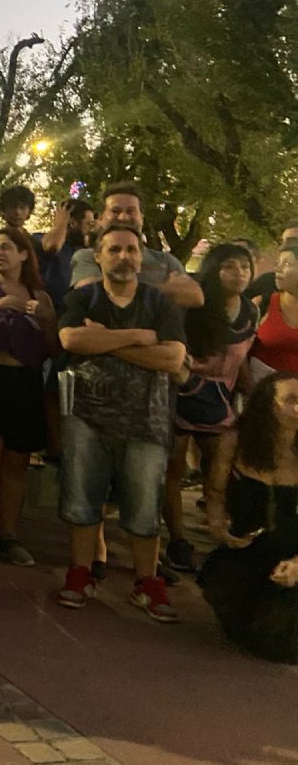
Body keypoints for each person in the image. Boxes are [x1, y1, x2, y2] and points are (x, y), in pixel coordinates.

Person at [56, 223, 187, 621]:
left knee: (145, 503)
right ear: (98, 256)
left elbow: (172, 359)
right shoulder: (83, 298)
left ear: (142, 257)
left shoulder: (159, 304)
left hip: (147, 420)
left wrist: (108, 340)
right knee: (81, 498)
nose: (124, 257)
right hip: (86, 417)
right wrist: (138, 338)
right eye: (114, 249)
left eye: (131, 250)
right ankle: (80, 574)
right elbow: (72, 342)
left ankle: (146, 582)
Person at [0, 227, 56, 567]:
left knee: (16, 462)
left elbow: (54, 349)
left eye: (6, 247)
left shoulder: (41, 296)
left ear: (23, 254)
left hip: (26, 382)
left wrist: (48, 322)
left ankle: (10, 534)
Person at [167, 242, 258, 572]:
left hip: (221, 402)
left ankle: (220, 540)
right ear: (214, 269)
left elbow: (242, 361)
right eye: (230, 266)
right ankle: (177, 540)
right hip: (181, 392)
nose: (239, 273)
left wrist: (255, 397)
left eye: (245, 266)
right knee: (173, 471)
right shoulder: (195, 304)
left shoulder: (250, 311)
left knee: (219, 476)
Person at [198, 371, 298, 663]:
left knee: (286, 646)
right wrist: (219, 528)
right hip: (247, 554)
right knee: (256, 635)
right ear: (267, 404)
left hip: (293, 556)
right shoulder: (236, 440)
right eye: (290, 400)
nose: (297, 409)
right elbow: (215, 494)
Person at [69, 182, 204, 309]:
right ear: (101, 219)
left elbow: (194, 297)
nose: (123, 217)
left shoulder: (166, 261)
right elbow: (94, 299)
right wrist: (168, 289)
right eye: (115, 211)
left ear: (142, 218)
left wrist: (120, 292)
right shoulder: (87, 257)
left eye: (131, 211)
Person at [251, 243, 298, 379]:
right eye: (278, 263)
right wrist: (248, 385)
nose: (277, 269)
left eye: (287, 264)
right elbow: (238, 351)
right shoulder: (261, 304)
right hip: (260, 391)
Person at [40, 198, 96, 312]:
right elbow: (52, 246)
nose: (91, 229)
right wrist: (62, 222)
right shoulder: (51, 242)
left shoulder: (88, 250)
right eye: (89, 224)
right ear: (73, 223)